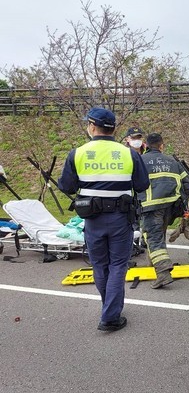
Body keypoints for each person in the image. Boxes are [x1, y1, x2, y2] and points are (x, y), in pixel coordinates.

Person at [58, 107, 149, 332]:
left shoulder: (77, 153)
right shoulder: (129, 154)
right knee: (118, 265)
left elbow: (67, 186)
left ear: (91, 126)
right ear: (114, 129)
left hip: (92, 219)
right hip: (121, 218)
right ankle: (110, 316)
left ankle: (108, 309)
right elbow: (142, 185)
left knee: (100, 264)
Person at [138, 133, 189, 289]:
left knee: (153, 238)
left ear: (146, 146)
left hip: (150, 206)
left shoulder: (140, 161)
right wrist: (181, 200)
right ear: (161, 146)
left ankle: (163, 273)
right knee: (159, 235)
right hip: (170, 206)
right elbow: (187, 183)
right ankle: (154, 264)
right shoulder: (173, 161)